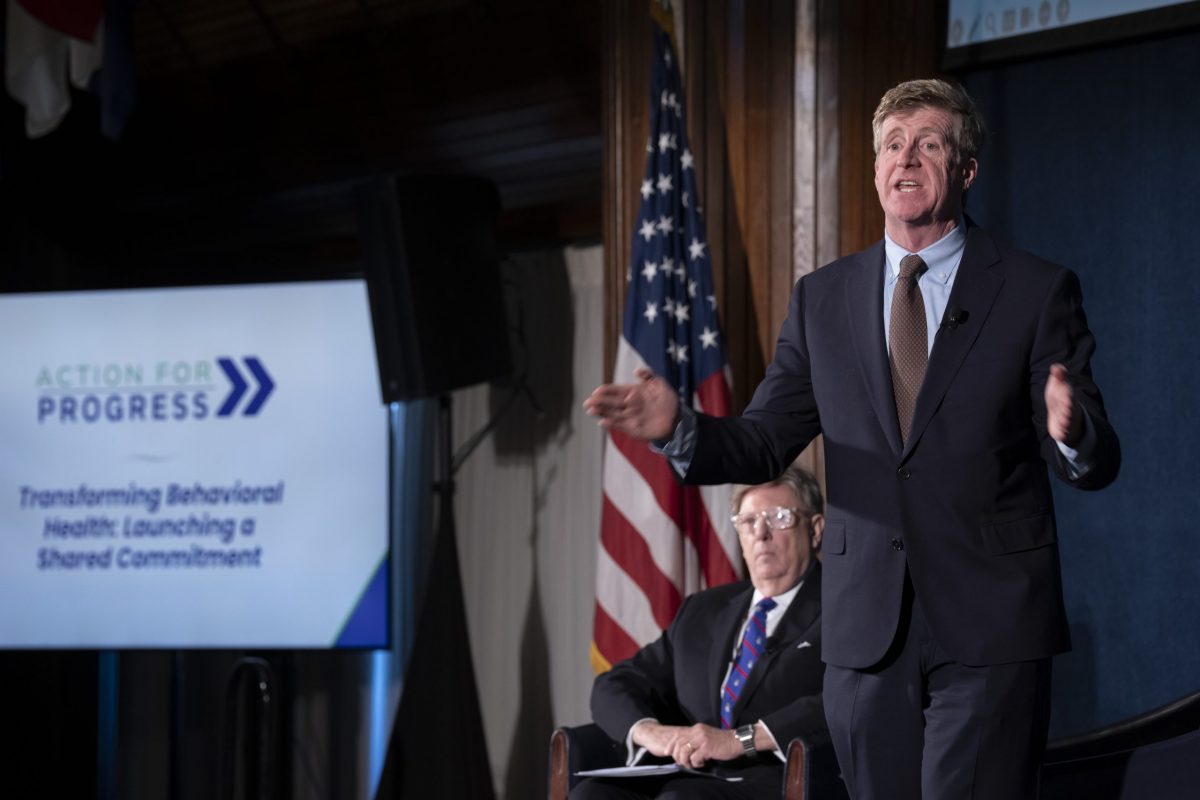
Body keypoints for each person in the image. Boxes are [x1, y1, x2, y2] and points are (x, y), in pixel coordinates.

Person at [584, 78, 1120, 799]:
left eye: (928, 144)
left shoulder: (1033, 289)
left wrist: (1073, 430)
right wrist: (678, 429)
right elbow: (764, 442)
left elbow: (1095, 457)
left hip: (990, 623)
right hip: (867, 632)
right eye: (892, 145)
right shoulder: (824, 299)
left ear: (966, 169)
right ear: (874, 171)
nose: (906, 158)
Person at [572, 467, 829, 799]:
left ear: (815, 529)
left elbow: (844, 701)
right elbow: (616, 683)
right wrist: (651, 733)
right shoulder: (703, 610)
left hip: (775, 782)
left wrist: (738, 741)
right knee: (590, 795)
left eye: (779, 518)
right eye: (749, 521)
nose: (761, 533)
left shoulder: (841, 611)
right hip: (687, 774)